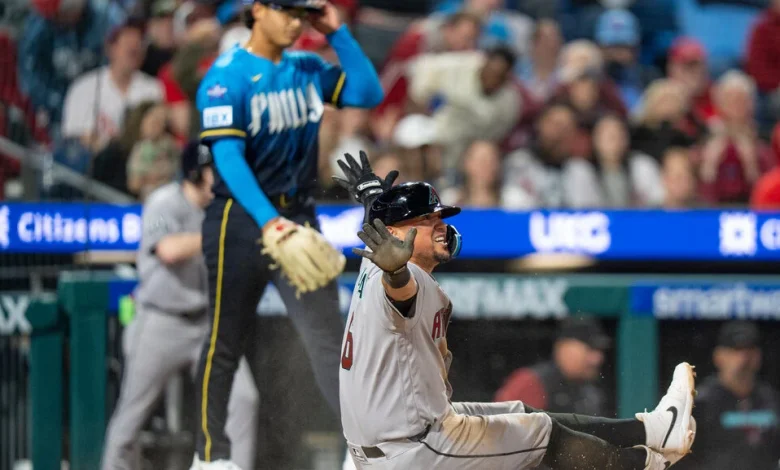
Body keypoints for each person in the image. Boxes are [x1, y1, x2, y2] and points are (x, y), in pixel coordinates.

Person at [336, 155, 697, 470]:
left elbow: (386, 246)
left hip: (397, 441)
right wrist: (397, 272)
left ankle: (655, 430)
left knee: (524, 414)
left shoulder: (376, 256)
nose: (440, 225)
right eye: (427, 220)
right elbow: (400, 296)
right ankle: (645, 464)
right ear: (396, 233)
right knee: (542, 436)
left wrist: (373, 200)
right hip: (413, 450)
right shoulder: (405, 275)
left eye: (438, 216)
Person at [192, 0, 384, 468]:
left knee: (329, 340)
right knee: (225, 338)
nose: (297, 22)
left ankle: (361, 452)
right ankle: (210, 457)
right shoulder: (226, 76)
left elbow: (368, 91)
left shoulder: (308, 67)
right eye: (287, 11)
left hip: (297, 214)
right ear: (257, 9)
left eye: (304, 13)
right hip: (239, 219)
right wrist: (268, 221)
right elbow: (228, 159)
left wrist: (338, 34)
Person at [101, 143, 259, 470]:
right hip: (162, 323)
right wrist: (219, 230)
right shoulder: (164, 202)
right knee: (131, 417)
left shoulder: (222, 207)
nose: (219, 177)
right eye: (211, 171)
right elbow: (169, 250)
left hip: (206, 325)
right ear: (193, 173)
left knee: (244, 399)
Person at [675, 321, 780, 470]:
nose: (743, 358)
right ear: (718, 356)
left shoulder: (771, 400)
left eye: (749, 350)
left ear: (758, 356)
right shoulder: (701, 403)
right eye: (735, 350)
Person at [495, 317, 611, 417]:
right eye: (590, 349)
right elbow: (499, 432)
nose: (597, 359)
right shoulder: (532, 382)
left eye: (599, 351)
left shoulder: (590, 392)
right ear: (563, 347)